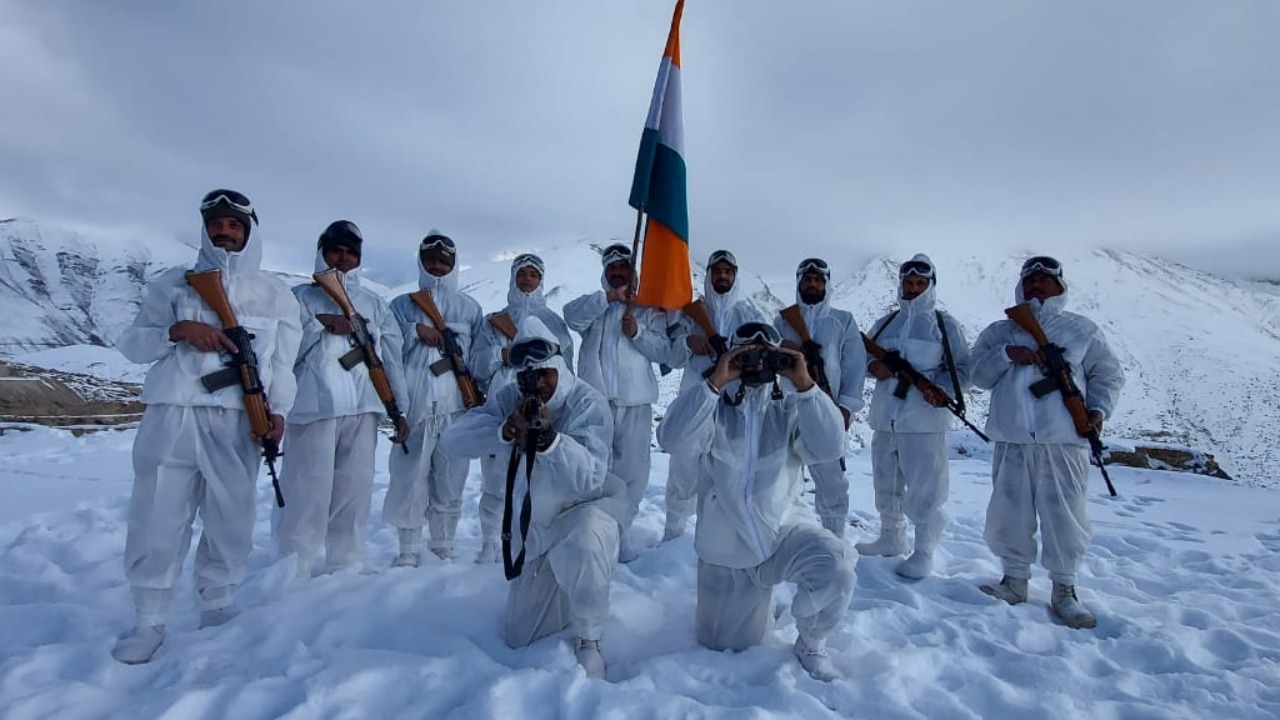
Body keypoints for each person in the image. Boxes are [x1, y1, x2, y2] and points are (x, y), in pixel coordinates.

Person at [112, 189, 302, 664]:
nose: (225, 232)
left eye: (234, 225)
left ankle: (217, 602)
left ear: (249, 231)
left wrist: (277, 412)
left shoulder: (275, 292)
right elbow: (133, 344)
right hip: (174, 412)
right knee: (158, 513)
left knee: (231, 514)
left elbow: (283, 362)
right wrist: (176, 331)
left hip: (236, 418)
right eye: (217, 223)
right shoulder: (173, 285)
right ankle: (149, 617)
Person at [657, 322, 856, 682]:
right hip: (727, 549)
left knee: (836, 566)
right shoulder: (711, 404)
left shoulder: (791, 406)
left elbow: (830, 447)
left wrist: (806, 385)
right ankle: (757, 608)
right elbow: (670, 439)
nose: (755, 363)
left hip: (782, 531)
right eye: (745, 354)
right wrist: (714, 383)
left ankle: (811, 641)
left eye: (765, 355)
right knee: (724, 651)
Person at [441, 317, 626, 679]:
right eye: (529, 378)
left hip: (582, 517)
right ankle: (562, 590)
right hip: (536, 529)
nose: (539, 385)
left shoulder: (587, 402)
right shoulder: (512, 399)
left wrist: (549, 440)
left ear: (558, 366)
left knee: (586, 539)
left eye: (545, 375)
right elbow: (453, 440)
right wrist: (506, 429)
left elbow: (589, 477)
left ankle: (590, 635)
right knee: (521, 637)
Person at [970, 255, 1124, 629]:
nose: (1036, 285)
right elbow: (977, 375)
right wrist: (1007, 355)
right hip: (1013, 438)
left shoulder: (1081, 330)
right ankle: (1014, 580)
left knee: (1065, 517)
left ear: (1060, 287)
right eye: (1030, 280)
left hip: (1063, 440)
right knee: (1009, 513)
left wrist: (1098, 411)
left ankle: (1065, 590)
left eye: (1045, 280)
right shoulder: (1000, 332)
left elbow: (1107, 375)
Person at [273, 220, 410, 578]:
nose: (343, 258)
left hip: (362, 408)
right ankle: (294, 565)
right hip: (312, 408)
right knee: (306, 491)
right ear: (322, 251)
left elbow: (390, 359)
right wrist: (320, 324)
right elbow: (280, 354)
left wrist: (400, 409)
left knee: (354, 490)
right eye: (336, 250)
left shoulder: (374, 305)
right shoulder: (299, 299)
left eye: (351, 252)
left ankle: (345, 563)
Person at [857, 254, 971, 580]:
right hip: (885, 418)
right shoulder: (886, 323)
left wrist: (941, 389)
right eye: (909, 282)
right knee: (885, 482)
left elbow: (963, 369)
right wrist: (873, 367)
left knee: (926, 489)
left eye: (921, 283)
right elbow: (862, 359)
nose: (914, 288)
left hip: (924, 422)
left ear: (930, 286)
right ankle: (891, 538)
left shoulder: (944, 326)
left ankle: (923, 551)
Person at [382, 231, 484, 565]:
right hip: (415, 405)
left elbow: (479, 360)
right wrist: (415, 331)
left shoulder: (469, 308)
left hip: (455, 407)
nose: (437, 266)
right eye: (431, 260)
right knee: (408, 478)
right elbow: (388, 353)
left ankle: (443, 543)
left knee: (452, 478)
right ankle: (408, 548)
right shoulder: (401, 306)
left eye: (444, 261)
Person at [563, 243, 669, 561]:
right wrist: (609, 298)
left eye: (624, 267)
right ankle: (593, 532)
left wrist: (637, 332)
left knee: (633, 473)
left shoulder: (649, 309)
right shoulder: (594, 306)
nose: (618, 272)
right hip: (595, 404)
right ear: (605, 273)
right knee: (594, 470)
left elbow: (664, 352)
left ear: (633, 271)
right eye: (612, 268)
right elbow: (571, 317)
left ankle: (619, 534)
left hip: (635, 403)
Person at [470, 253, 576, 564]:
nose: (528, 279)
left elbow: (565, 369)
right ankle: (489, 542)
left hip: (541, 409)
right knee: (494, 480)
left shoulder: (554, 323)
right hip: (504, 404)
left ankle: (529, 537)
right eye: (523, 273)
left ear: (541, 279)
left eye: (534, 274)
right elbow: (476, 364)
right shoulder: (494, 320)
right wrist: (503, 354)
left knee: (536, 479)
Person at [663, 249, 765, 541]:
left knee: (730, 472)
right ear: (708, 275)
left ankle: (720, 538)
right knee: (683, 467)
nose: (722, 276)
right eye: (716, 271)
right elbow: (670, 358)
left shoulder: (749, 314)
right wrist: (688, 342)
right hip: (695, 398)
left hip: (735, 404)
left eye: (727, 272)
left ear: (735, 276)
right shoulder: (691, 314)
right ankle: (673, 534)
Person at [772, 258, 866, 538]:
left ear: (826, 284)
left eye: (818, 280)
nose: (812, 284)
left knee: (831, 483)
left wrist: (846, 408)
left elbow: (855, 367)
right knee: (781, 479)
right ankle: (784, 538)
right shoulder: (782, 321)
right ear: (799, 283)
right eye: (807, 280)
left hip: (826, 408)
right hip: (787, 410)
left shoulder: (842, 320)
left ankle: (834, 540)